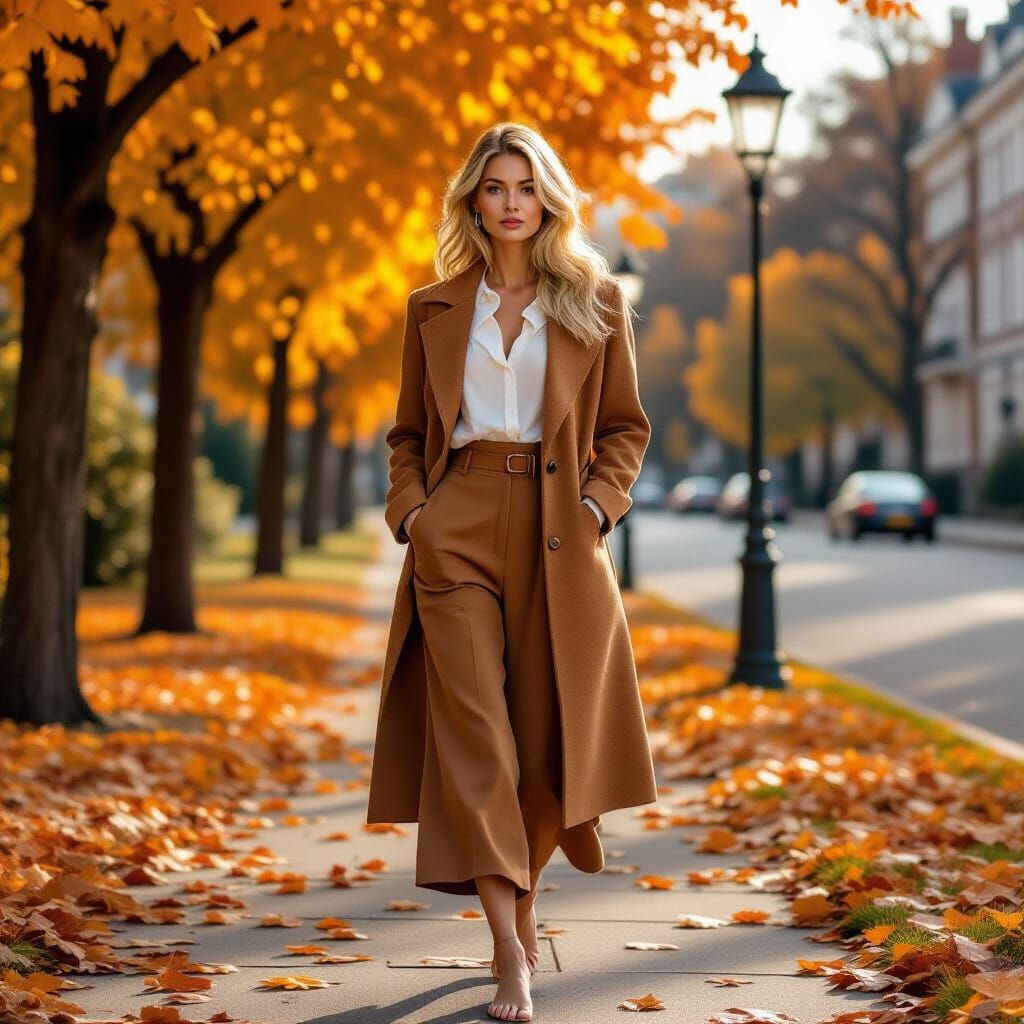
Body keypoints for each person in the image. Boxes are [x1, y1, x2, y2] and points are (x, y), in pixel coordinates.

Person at [369, 122, 658, 1022]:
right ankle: (508, 954)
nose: (509, 203)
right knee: (476, 734)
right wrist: (412, 511)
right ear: (472, 200)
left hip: (557, 531)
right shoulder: (433, 307)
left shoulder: (596, 302)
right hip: (455, 524)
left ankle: (521, 912)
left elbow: (625, 430)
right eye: (494, 188)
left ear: (548, 200)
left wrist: (598, 504)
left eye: (524, 187)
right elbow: (409, 433)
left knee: (542, 740)